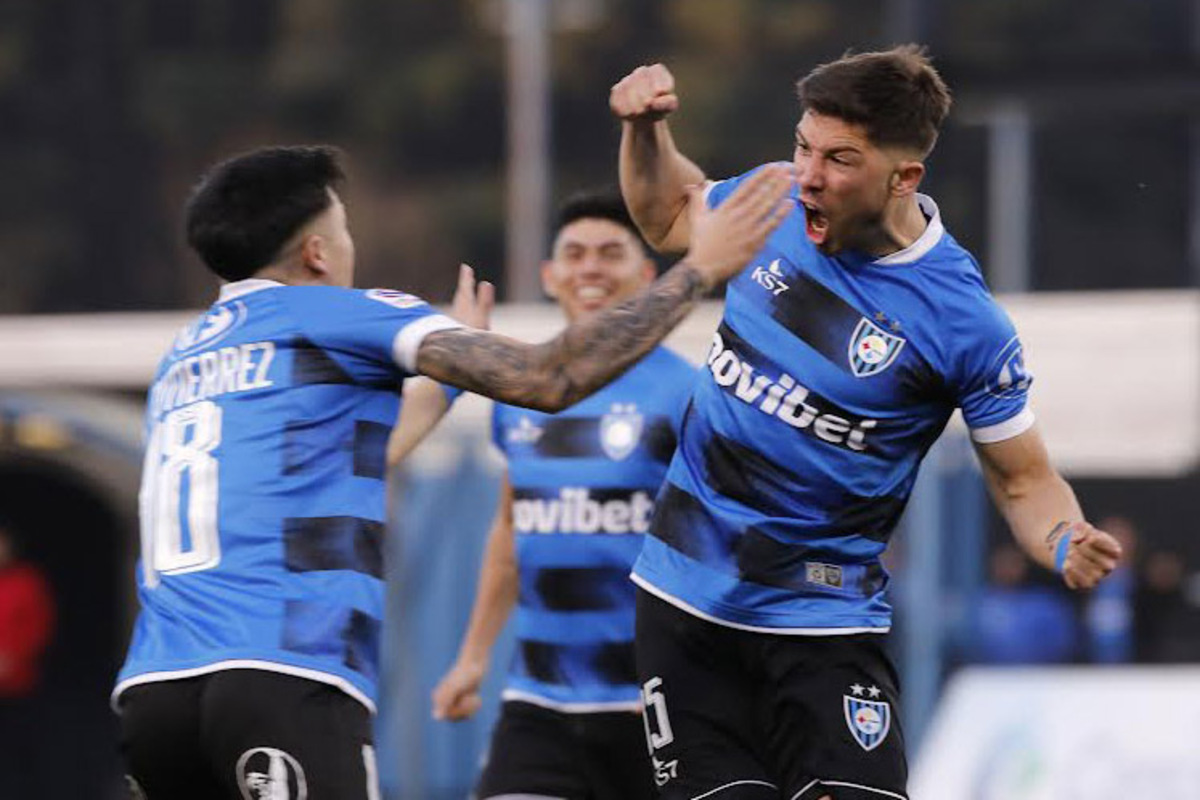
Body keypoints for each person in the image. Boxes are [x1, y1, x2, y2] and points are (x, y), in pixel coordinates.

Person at [112, 145, 791, 800]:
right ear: (317, 252)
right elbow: (548, 377)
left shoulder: (184, 360)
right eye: (343, 229)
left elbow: (355, 456)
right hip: (280, 674)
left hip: (154, 694)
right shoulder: (340, 312)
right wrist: (698, 270)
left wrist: (445, 386)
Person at [610, 46, 1123, 799]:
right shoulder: (771, 202)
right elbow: (667, 214)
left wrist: (1062, 535)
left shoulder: (964, 322)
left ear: (903, 177)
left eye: (840, 160)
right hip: (685, 611)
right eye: (803, 147)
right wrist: (645, 134)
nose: (809, 175)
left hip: (825, 629)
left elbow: (1023, 481)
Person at [431, 191, 695, 800]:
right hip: (538, 701)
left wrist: (687, 674)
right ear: (551, 276)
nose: (591, 268)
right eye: (574, 254)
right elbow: (509, 531)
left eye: (610, 253)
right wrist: (473, 658)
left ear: (647, 275)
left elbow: (714, 541)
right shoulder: (523, 393)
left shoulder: (684, 393)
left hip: (648, 705)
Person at [0, 524, 55, 799]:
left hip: (18, 683)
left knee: (17, 752)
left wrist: (13, 658)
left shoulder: (27, 581)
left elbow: (39, 627)